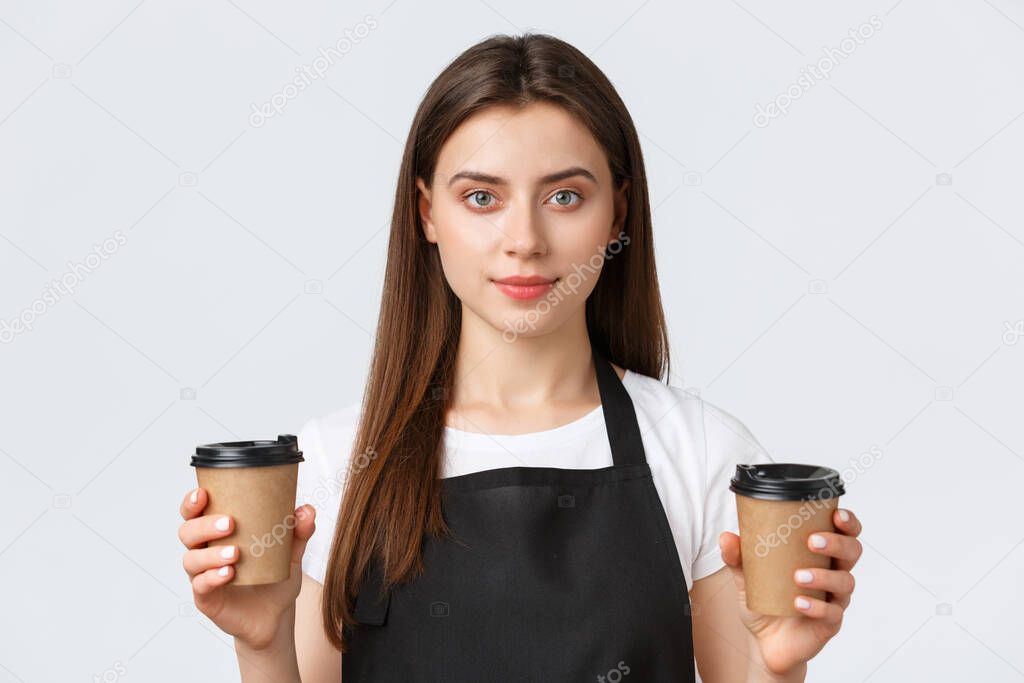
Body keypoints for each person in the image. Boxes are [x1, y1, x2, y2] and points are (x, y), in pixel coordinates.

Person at [177, 32, 863, 683]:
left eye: (565, 196)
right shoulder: (339, 462)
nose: (525, 240)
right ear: (427, 214)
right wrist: (260, 641)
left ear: (618, 213)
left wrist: (779, 667)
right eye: (482, 197)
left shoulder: (699, 450)